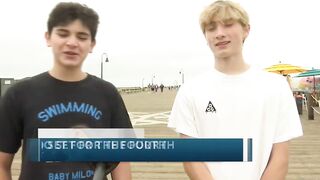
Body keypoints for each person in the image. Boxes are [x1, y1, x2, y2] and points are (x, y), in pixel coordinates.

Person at [168, 1, 303, 180]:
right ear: (205, 36)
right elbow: (191, 158)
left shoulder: (276, 86)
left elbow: (280, 157)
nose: (219, 34)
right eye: (211, 28)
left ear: (246, 29)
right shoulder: (190, 90)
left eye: (228, 24)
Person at [0, 2, 132, 180]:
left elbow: (121, 160)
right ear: (48, 37)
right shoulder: (19, 94)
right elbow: (2, 163)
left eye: (82, 36)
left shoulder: (107, 93)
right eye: (63, 34)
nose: (72, 43)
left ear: (92, 44)